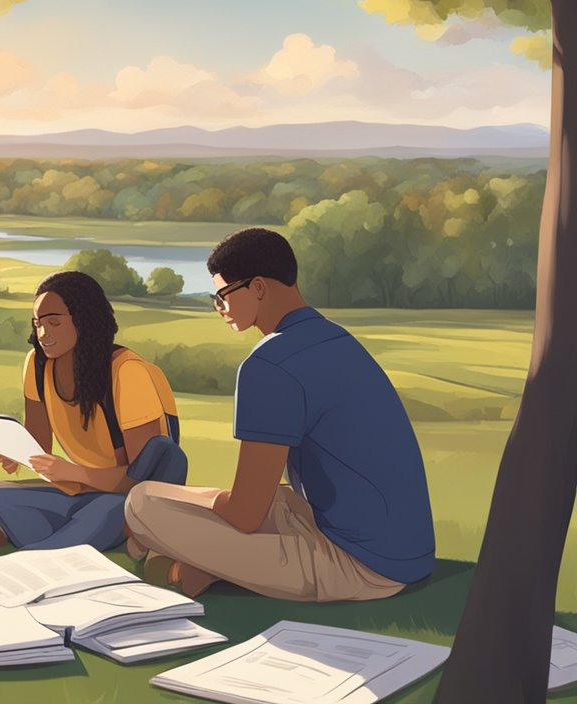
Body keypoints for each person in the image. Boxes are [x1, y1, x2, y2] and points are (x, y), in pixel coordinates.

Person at [125, 228, 435, 601]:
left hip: (358, 567)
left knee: (141, 504)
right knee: (277, 501)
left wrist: (195, 507)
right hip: (402, 552)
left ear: (257, 287)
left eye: (222, 296)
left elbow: (245, 514)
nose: (218, 309)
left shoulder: (269, 365)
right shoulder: (335, 338)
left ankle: (200, 567)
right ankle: (204, 565)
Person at [0, 270, 188, 552]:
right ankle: (99, 534)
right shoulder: (37, 364)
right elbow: (39, 445)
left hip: (126, 494)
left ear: (84, 320)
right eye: (37, 324)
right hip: (79, 490)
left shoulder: (126, 372)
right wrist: (15, 454)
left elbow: (139, 479)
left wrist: (76, 473)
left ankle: (46, 548)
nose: (43, 334)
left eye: (54, 323)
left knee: (109, 509)